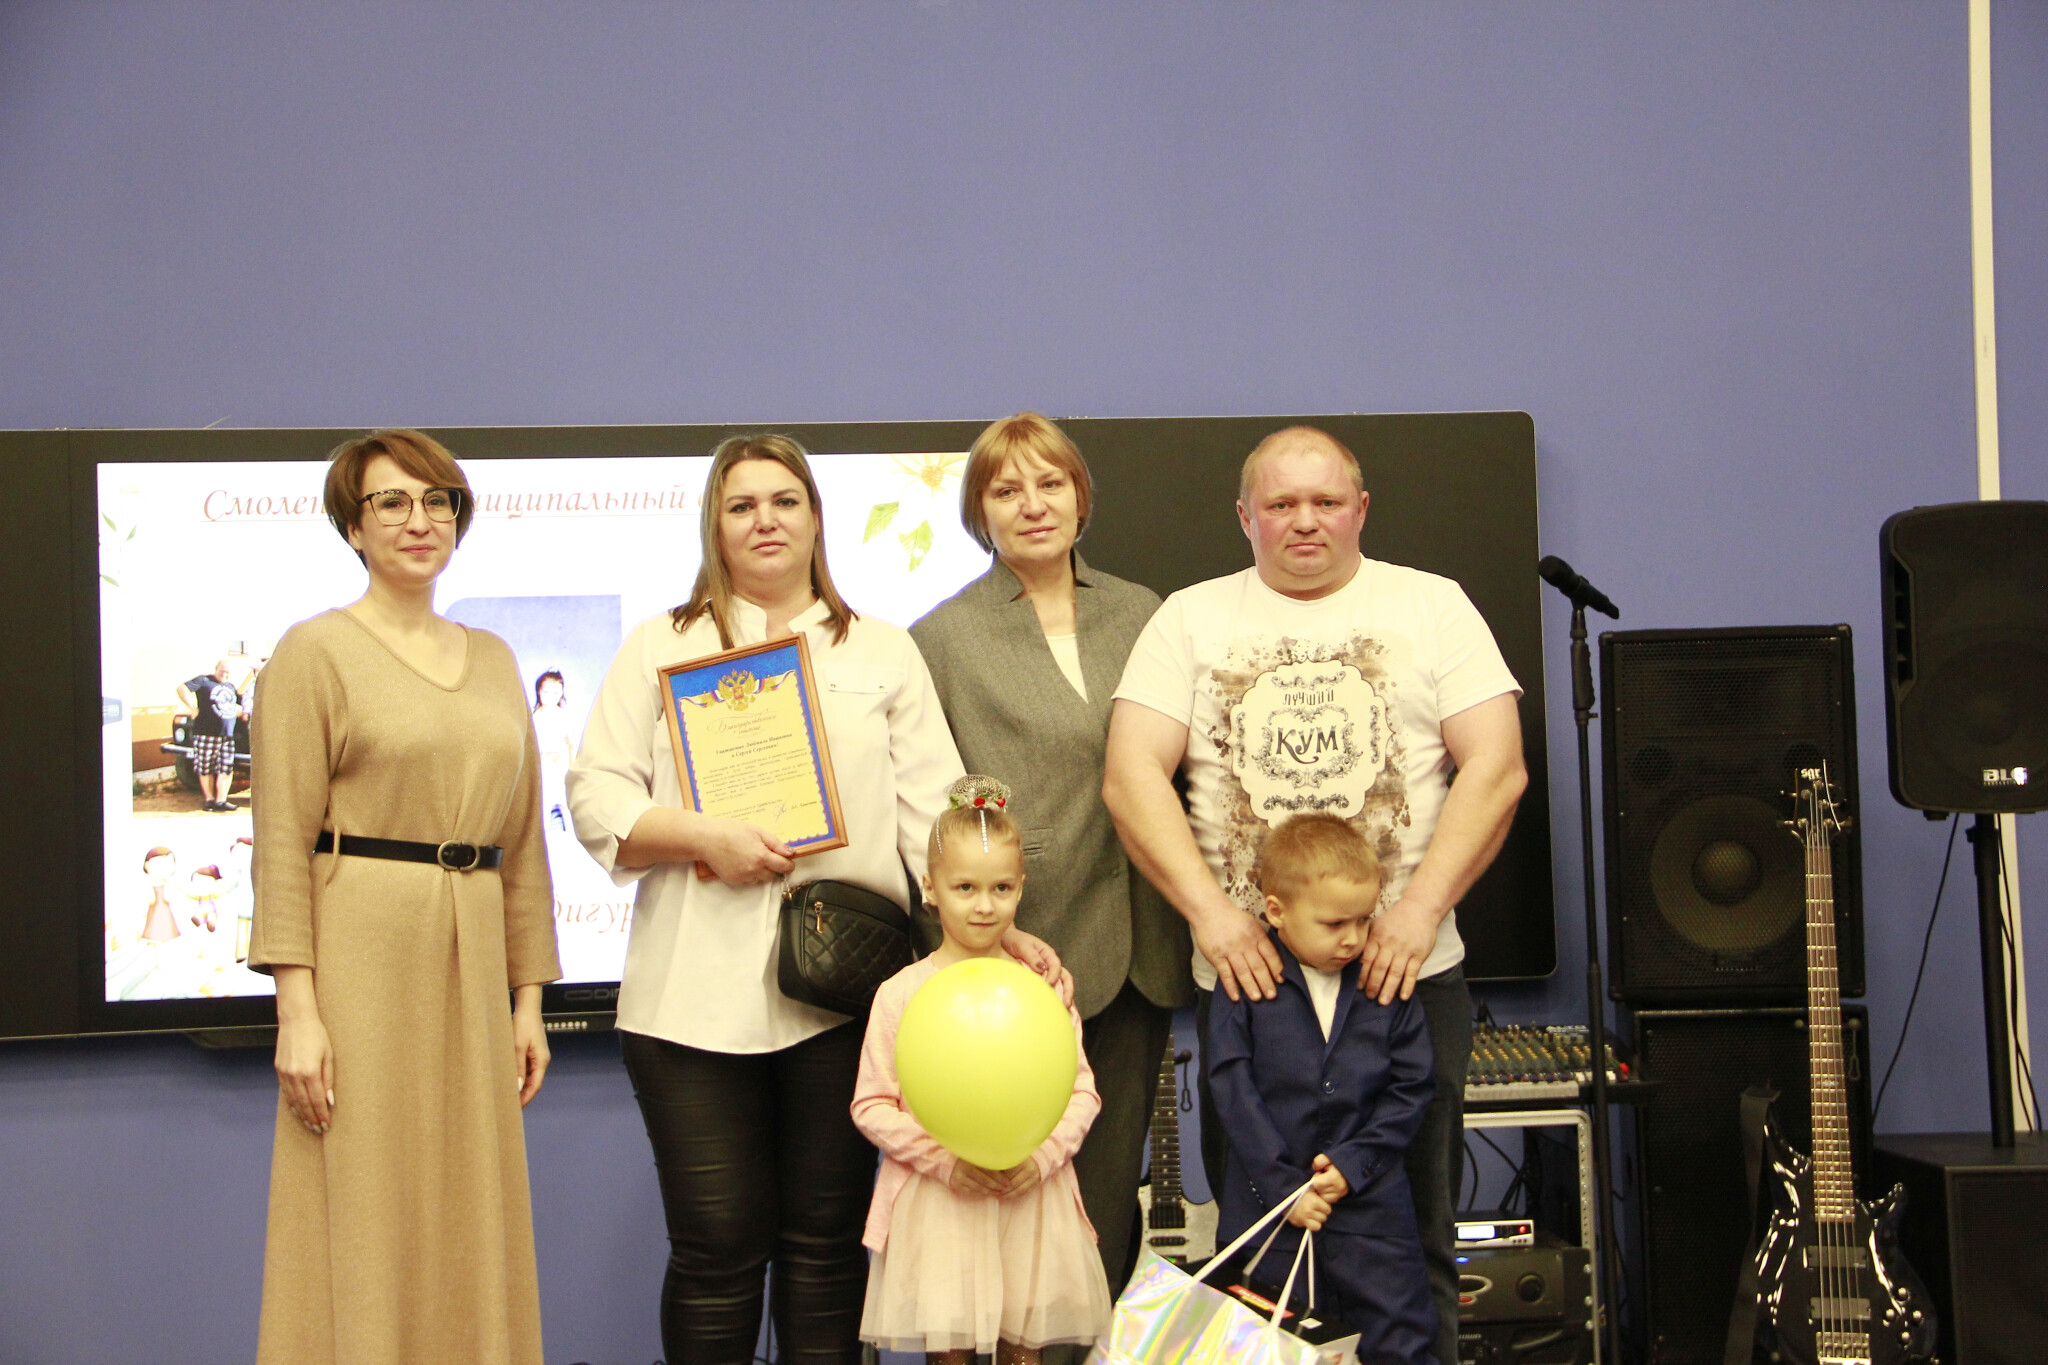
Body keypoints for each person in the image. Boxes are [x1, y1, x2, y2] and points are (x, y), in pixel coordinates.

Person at [567, 434, 1065, 1365]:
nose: (765, 520)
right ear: (714, 524)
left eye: (784, 501)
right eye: (742, 504)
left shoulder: (881, 649)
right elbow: (595, 794)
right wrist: (702, 835)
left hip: (843, 1003)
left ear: (815, 518)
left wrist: (1000, 936)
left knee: (826, 1248)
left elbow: (936, 822)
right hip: (686, 1004)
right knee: (715, 1248)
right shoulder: (662, 646)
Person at [1102, 425, 1526, 1365]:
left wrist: (1417, 915)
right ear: (1244, 516)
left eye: (1326, 501)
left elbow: (1497, 767)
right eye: (1282, 503)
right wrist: (1213, 918)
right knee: (1259, 1250)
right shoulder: (1190, 618)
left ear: (1361, 509)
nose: (1305, 520)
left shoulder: (1433, 606)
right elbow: (1131, 776)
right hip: (1252, 987)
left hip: (1405, 978)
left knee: (1416, 1240)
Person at [248, 428, 561, 1365]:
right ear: (353, 526)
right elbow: (281, 838)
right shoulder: (314, 651)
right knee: (365, 1196)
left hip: (475, 957)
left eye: (437, 501)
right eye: (392, 501)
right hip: (362, 956)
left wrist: (529, 1001)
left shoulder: (496, 657)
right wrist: (297, 1011)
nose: (419, 520)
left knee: (471, 1199)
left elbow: (523, 846)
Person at [909, 412, 1192, 1296]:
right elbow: (933, 806)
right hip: (1016, 949)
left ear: (1081, 498)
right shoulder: (942, 637)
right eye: (1006, 489)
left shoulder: (1144, 612)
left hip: (1142, 941)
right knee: (1017, 1200)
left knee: (1105, 1202)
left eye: (1051, 483)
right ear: (979, 512)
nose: (1032, 504)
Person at [852, 775, 1113, 1364]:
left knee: (1025, 1352)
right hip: (942, 1204)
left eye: (1001, 888)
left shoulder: (1043, 990)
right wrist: (946, 1161)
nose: (984, 904)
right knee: (949, 1353)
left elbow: (1082, 1091)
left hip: (1031, 1198)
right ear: (930, 887)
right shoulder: (901, 994)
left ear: (1021, 888)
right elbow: (871, 1104)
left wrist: (1041, 1158)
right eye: (965, 887)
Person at [1208, 813, 1435, 1365]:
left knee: (1401, 1346)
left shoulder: (1386, 979)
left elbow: (1411, 1086)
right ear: (1276, 911)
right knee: (1267, 1351)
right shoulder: (1242, 981)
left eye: (1364, 919)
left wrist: (1354, 1165)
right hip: (1268, 1218)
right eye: (1334, 923)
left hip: (1373, 1215)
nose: (1353, 938)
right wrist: (1286, 1189)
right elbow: (1233, 1091)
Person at [177, 659, 245, 810]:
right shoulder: (204, 681)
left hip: (227, 736)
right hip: (205, 734)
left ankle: (221, 801)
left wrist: (244, 712)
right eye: (222, 670)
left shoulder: (230, 687)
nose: (224, 673)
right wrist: (192, 707)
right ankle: (209, 800)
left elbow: (243, 705)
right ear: (216, 669)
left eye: (227, 671)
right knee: (205, 768)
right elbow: (182, 688)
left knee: (226, 769)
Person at [530, 669, 574, 831]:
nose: (550, 696)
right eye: (546, 692)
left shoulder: (563, 715)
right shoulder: (535, 716)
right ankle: (543, 836)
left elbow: (571, 743)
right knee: (544, 803)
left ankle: (570, 836)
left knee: (566, 803)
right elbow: (531, 746)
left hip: (561, 767)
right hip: (543, 768)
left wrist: (572, 766)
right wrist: (543, 757)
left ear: (561, 693)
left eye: (555, 693)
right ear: (539, 691)